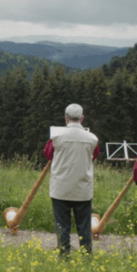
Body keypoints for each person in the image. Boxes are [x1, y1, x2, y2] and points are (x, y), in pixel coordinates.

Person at [44, 103, 100, 257]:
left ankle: (64, 255)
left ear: (66, 118)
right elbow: (95, 156)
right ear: (82, 118)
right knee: (84, 226)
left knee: (62, 226)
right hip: (83, 190)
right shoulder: (92, 138)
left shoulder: (56, 138)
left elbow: (48, 155)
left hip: (60, 189)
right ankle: (87, 256)